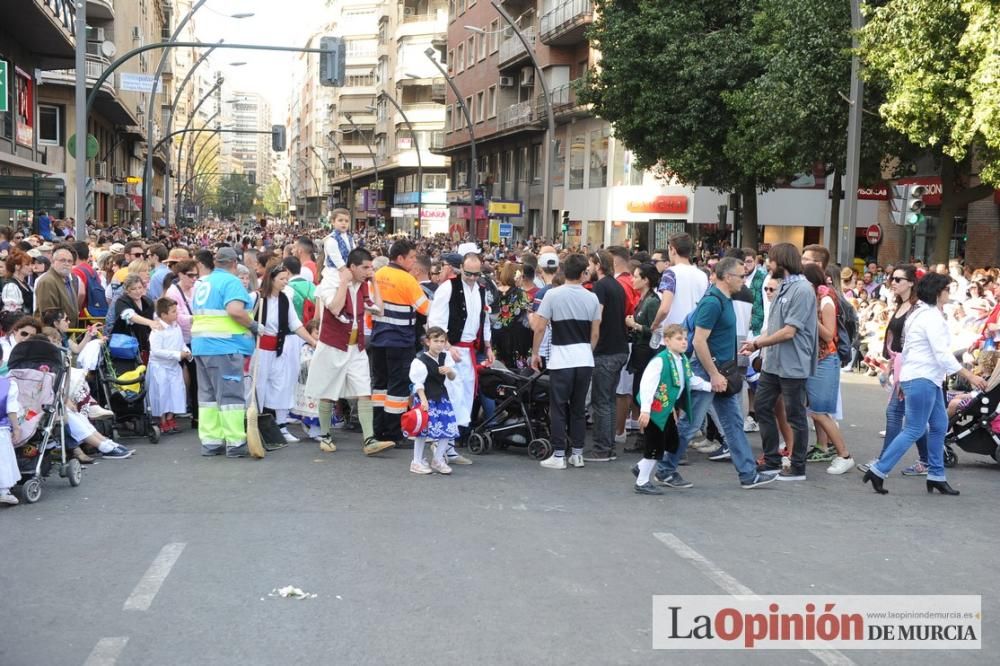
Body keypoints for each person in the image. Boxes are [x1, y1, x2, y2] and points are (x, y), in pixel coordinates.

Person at [656, 257, 778, 489]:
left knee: (731, 424)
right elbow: (700, 341)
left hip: (720, 372)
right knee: (690, 425)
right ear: (727, 277)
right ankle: (664, 469)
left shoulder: (723, 299)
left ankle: (748, 474)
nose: (745, 280)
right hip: (709, 372)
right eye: (741, 276)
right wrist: (713, 375)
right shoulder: (713, 302)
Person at [864, 273, 987, 495]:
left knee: (939, 425)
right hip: (923, 378)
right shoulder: (930, 317)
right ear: (938, 292)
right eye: (948, 289)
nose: (950, 293)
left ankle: (936, 475)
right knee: (914, 428)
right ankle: (879, 470)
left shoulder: (923, 313)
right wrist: (971, 377)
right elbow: (942, 355)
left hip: (924, 377)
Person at [304, 247, 395, 456]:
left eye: (371, 267)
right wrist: (344, 282)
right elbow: (335, 308)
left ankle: (369, 439)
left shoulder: (363, 285)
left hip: (356, 347)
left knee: (364, 391)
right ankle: (325, 436)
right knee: (328, 392)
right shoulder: (330, 282)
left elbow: (379, 309)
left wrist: (374, 283)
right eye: (365, 268)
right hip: (333, 346)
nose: (368, 271)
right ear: (351, 267)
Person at [742, 243, 817, 481]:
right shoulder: (783, 286)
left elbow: (789, 331)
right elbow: (775, 328)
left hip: (793, 363)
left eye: (770, 260)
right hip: (773, 363)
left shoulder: (803, 290)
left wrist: (757, 344)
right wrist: (756, 343)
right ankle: (772, 459)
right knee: (763, 407)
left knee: (795, 415)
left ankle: (797, 467)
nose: (768, 264)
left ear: (781, 261)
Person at [530, 253, 601, 470]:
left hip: (561, 359)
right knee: (578, 408)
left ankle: (559, 454)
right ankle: (577, 453)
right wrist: (587, 350)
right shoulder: (592, 298)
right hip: (584, 359)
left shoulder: (553, 295)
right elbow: (595, 333)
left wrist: (535, 353)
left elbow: (540, 326)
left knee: (558, 408)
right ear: (583, 274)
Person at [190, 247, 256, 457]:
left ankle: (211, 441)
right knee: (230, 394)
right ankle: (235, 442)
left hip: (201, 344)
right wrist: (253, 326)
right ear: (234, 264)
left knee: (208, 396)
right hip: (224, 345)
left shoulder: (204, 282)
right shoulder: (231, 282)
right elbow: (235, 311)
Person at [369, 239, 431, 445]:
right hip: (400, 341)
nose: (414, 261)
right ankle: (394, 432)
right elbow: (426, 308)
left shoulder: (377, 276)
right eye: (412, 257)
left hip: (378, 340)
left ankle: (378, 430)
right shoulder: (407, 280)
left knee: (379, 386)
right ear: (400, 258)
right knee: (397, 388)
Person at [252, 259, 318, 442]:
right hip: (259, 350)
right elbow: (245, 320)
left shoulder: (285, 299)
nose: (285, 282)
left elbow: (295, 324)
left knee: (281, 385)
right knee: (259, 386)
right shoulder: (256, 298)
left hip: (278, 348)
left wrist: (312, 341)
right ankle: (256, 423)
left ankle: (281, 426)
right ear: (271, 279)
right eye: (282, 278)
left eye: (286, 278)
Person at [801, 264, 854, 475]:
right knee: (815, 411)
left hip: (825, 359)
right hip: (813, 359)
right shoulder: (813, 297)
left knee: (820, 412)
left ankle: (844, 455)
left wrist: (808, 317)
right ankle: (824, 447)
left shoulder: (825, 300)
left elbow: (829, 334)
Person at [632, 324, 698, 495]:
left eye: (685, 338)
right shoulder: (660, 360)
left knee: (671, 442)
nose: (684, 342)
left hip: (666, 409)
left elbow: (691, 381)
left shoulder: (681, 359)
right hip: (655, 410)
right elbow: (647, 384)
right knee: (655, 446)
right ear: (667, 341)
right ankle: (642, 481)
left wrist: (710, 386)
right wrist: (645, 410)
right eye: (679, 339)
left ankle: (640, 468)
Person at [584, 249, 629, 462]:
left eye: (591, 264)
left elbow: (597, 317)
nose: (588, 268)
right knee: (609, 400)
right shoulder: (617, 286)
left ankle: (602, 448)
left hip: (605, 351)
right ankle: (608, 446)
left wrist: (590, 344)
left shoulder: (600, 286)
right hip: (619, 349)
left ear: (598, 265)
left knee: (601, 401)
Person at [408, 327, 460, 475]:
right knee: (422, 431)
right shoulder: (420, 361)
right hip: (426, 397)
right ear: (427, 342)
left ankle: (438, 459)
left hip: (441, 396)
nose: (439, 344)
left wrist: (449, 371)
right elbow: (418, 384)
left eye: (442, 341)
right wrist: (423, 401)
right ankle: (416, 461)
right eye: (435, 341)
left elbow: (452, 377)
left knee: (446, 428)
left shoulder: (446, 357)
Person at [148, 298, 191, 434]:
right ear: (163, 315)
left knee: (176, 391)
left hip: (173, 365)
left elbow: (181, 343)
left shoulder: (176, 326)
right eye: (173, 312)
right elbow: (156, 351)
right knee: (162, 393)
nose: (176, 314)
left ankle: (171, 416)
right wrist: (177, 354)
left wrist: (187, 352)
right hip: (159, 367)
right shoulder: (157, 330)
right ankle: (161, 419)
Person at [489, 261, 533, 370]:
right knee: (517, 373)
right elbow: (530, 318)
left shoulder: (493, 293)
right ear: (516, 276)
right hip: (517, 339)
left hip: (495, 337)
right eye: (521, 276)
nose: (523, 279)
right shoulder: (522, 294)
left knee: (498, 370)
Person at [110, 274, 160, 362]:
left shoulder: (147, 301)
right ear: (126, 290)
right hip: (126, 347)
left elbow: (154, 318)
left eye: (140, 287)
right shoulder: (122, 301)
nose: (138, 291)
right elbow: (129, 315)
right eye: (133, 289)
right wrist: (150, 322)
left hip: (145, 345)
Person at [33, 244, 80, 328]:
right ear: (53, 261)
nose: (67, 264)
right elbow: (49, 317)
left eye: (70, 261)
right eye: (63, 260)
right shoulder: (47, 281)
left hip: (68, 333)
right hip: (54, 335)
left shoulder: (67, 279)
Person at [317, 208, 354, 302]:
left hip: (347, 272)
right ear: (333, 222)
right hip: (333, 274)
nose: (344, 223)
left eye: (346, 221)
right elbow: (338, 261)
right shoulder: (330, 239)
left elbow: (354, 255)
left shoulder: (350, 238)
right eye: (340, 220)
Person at [0, 348, 20, 505]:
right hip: (1, 428)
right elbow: (11, 409)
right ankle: (3, 490)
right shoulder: (8, 384)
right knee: (3, 459)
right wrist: (17, 428)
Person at [2, 248, 34, 314]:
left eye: (31, 264)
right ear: (17, 266)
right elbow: (12, 314)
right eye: (27, 265)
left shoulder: (24, 283)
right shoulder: (11, 286)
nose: (31, 267)